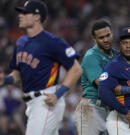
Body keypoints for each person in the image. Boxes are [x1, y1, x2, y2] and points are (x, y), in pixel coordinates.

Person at [0, 0, 82, 135]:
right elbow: (18, 75)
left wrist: (59, 93)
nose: (20, 15)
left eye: (25, 13)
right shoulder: (20, 42)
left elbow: (76, 69)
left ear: (37, 17)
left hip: (46, 101)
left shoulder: (52, 42)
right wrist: (6, 80)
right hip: (31, 104)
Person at [74, 20, 130, 135]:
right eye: (101, 37)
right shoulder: (91, 56)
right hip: (92, 107)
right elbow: (104, 86)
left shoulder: (117, 55)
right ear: (94, 39)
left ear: (112, 33)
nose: (106, 39)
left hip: (112, 109)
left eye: (108, 35)